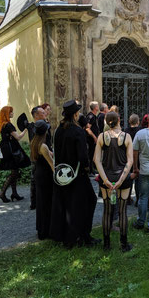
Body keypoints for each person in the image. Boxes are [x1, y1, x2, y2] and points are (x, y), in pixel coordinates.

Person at [49, 100, 99, 248]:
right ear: (76, 114)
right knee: (89, 201)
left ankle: (69, 236)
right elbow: (83, 156)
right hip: (76, 174)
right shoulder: (77, 131)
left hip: (62, 173)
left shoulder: (59, 130)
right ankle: (84, 235)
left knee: (67, 205)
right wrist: (86, 168)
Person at [94, 111, 134, 251]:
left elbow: (96, 160)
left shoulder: (102, 137)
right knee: (123, 211)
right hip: (122, 178)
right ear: (118, 120)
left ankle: (106, 245)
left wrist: (105, 179)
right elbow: (130, 162)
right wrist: (121, 180)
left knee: (107, 211)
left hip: (107, 177)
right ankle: (123, 245)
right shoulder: (126, 137)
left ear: (106, 121)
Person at [0, 106, 30, 202]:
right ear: (7, 114)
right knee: (14, 172)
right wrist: (26, 129)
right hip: (11, 150)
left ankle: (14, 193)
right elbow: (18, 137)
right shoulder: (8, 125)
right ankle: (2, 193)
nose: (12, 113)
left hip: (6, 148)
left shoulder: (3, 125)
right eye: (11, 112)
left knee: (14, 171)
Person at [30, 120, 54, 240]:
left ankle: (41, 229)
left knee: (41, 202)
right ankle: (46, 231)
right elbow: (51, 164)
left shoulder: (34, 142)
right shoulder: (43, 145)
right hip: (45, 175)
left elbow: (48, 154)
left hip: (38, 174)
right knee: (46, 203)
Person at [27, 106, 48, 210]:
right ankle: (34, 201)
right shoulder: (33, 127)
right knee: (34, 179)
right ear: (36, 115)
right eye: (43, 112)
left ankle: (39, 200)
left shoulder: (45, 124)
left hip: (45, 153)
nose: (45, 113)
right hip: (37, 156)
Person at [124, 114, 142, 206]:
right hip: (138, 157)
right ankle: (138, 199)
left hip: (128, 157)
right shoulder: (141, 131)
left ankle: (127, 198)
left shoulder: (126, 131)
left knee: (128, 178)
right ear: (138, 122)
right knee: (138, 179)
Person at [86, 101, 99, 175]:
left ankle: (92, 169)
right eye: (97, 105)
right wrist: (94, 137)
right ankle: (90, 170)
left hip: (93, 139)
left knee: (93, 154)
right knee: (90, 154)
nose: (98, 106)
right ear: (95, 107)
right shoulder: (91, 116)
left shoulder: (94, 116)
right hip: (90, 140)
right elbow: (88, 128)